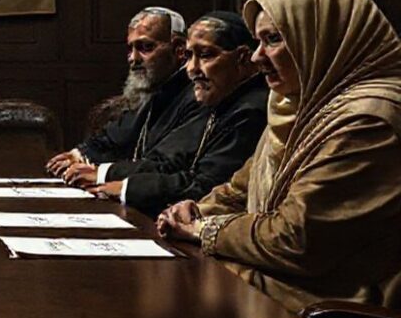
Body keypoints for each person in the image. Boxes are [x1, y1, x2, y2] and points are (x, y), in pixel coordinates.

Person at [158, 0, 401, 313]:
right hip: (283, 280)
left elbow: (296, 240)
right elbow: (240, 189)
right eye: (258, 41)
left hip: (338, 307)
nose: (257, 57)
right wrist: (195, 210)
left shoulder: (368, 120)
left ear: (320, 38)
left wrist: (203, 229)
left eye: (273, 39)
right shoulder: (299, 102)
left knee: (177, 295)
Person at [67, 12, 269, 216]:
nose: (191, 69)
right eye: (190, 56)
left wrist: (124, 186)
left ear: (243, 59)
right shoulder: (220, 97)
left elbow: (205, 183)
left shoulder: (249, 110)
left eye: (206, 55)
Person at [45, 7, 204, 201]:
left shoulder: (197, 96)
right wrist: (78, 154)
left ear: (179, 49)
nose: (133, 59)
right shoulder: (156, 89)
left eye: (145, 47)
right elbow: (115, 136)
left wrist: (102, 173)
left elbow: (166, 164)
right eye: (130, 49)